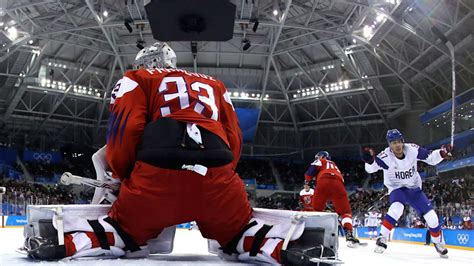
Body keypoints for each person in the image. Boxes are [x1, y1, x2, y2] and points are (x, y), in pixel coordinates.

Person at [25, 42, 335, 265]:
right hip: (217, 176)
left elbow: (125, 131)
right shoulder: (214, 83)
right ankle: (286, 247)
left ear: (143, 61)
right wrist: (221, 178)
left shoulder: (136, 79)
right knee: (238, 230)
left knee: (120, 230)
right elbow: (234, 140)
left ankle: (63, 241)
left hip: (156, 179)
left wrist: (124, 176)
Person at [362, 129, 452, 257]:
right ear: (389, 145)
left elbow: (430, 157)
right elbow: (370, 169)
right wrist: (368, 160)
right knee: (396, 209)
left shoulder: (412, 150)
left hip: (414, 189)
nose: (397, 145)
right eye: (393, 143)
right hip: (397, 189)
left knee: (432, 218)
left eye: (399, 142)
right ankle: (382, 238)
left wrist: (442, 153)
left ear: (403, 141)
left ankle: (438, 243)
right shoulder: (385, 157)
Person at [304, 151, 360, 247]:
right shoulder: (334, 165)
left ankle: (313, 237)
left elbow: (309, 173)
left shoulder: (321, 161)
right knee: (345, 212)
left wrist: (308, 181)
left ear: (322, 156)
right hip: (339, 184)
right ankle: (349, 235)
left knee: (316, 210)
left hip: (324, 181)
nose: (317, 158)